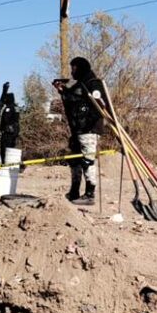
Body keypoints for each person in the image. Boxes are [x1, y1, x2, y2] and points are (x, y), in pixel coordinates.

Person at [54, 57, 105, 204]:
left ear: (80, 68)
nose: (72, 72)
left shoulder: (93, 84)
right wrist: (63, 92)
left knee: (87, 160)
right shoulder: (79, 85)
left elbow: (100, 106)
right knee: (75, 160)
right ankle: (74, 191)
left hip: (89, 129)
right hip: (78, 130)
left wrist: (87, 123)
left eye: (74, 68)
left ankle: (90, 194)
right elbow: (73, 102)